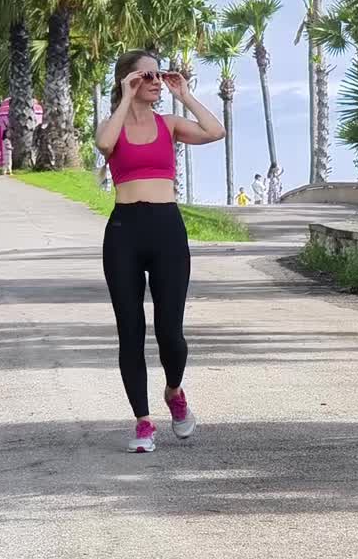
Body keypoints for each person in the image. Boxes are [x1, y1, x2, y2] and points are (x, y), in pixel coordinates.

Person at [95, 49, 226, 453]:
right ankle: (143, 422)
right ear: (128, 81)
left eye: (159, 74)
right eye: (146, 76)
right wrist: (124, 97)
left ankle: (174, 391)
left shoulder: (169, 124)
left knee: (170, 332)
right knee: (130, 330)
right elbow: (104, 144)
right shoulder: (113, 126)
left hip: (167, 229)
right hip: (124, 231)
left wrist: (184, 94)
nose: (156, 82)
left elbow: (215, 131)